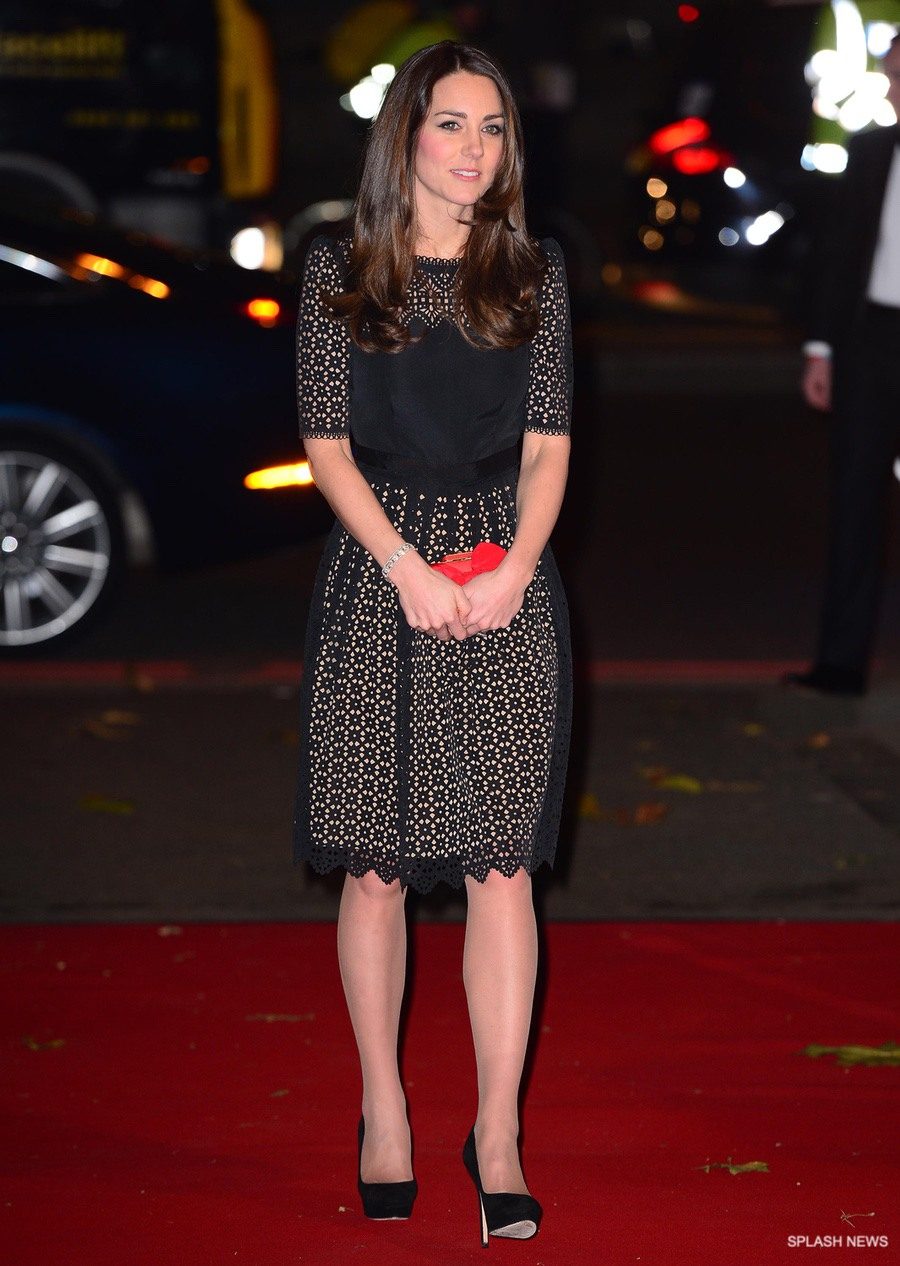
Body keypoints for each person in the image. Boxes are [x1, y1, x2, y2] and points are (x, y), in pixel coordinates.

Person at [291, 40, 573, 1245]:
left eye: (493, 128)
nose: (473, 148)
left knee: (502, 860)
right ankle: (385, 1109)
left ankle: (498, 1130)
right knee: (374, 864)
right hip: (377, 571)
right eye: (451, 123)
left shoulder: (536, 275)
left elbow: (552, 442)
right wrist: (404, 567)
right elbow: (326, 443)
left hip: (505, 577)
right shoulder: (340, 271)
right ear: (405, 135)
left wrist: (511, 569)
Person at [786, 33, 900, 698]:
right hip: (871, 339)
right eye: (889, 78)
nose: (891, 90)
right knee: (855, 497)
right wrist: (820, 348)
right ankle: (840, 661)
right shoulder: (871, 151)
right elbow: (835, 253)